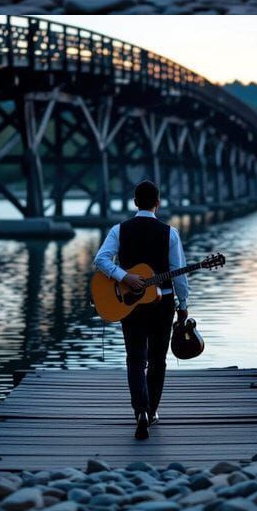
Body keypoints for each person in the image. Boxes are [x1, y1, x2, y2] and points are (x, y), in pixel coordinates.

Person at [92, 179, 190, 440]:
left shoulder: (119, 230)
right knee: (158, 359)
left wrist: (122, 276)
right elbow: (179, 276)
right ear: (158, 203)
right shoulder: (170, 232)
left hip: (130, 306)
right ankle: (153, 410)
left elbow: (100, 260)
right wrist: (184, 306)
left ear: (135, 202)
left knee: (135, 358)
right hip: (164, 303)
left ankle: (140, 412)